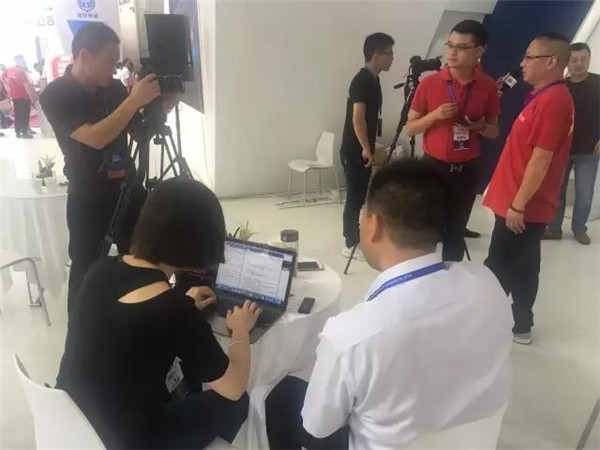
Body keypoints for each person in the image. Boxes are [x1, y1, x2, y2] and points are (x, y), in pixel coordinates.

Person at [266, 159, 513, 450]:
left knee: (283, 396)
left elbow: (318, 426)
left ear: (374, 225)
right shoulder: (487, 284)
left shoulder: (350, 335)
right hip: (475, 441)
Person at [57, 178, 259, 449]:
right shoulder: (174, 311)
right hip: (130, 440)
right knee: (238, 401)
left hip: (71, 422)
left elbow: (133, 324)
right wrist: (241, 329)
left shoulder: (101, 269)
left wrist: (182, 303)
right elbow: (233, 388)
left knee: (188, 375)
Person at [40, 23, 163, 318]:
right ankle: (81, 329)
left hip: (128, 189)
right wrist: (134, 100)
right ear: (85, 55)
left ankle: (140, 319)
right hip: (88, 196)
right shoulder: (56, 94)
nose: (115, 67)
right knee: (86, 268)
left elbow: (140, 133)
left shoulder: (115, 89)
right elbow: (96, 137)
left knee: (141, 259)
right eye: (110, 60)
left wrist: (161, 102)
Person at [484, 32, 574, 345]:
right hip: (519, 203)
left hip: (523, 208)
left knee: (499, 267)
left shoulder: (553, 101)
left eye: (529, 57)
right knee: (524, 267)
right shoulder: (541, 95)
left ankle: (483, 328)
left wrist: (518, 204)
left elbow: (541, 159)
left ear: (551, 62)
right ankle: (521, 323)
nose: (522, 63)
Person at [406, 20, 500, 261]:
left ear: (479, 51)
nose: (452, 53)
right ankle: (425, 276)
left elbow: (494, 132)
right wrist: (435, 116)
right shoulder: (429, 83)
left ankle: (452, 275)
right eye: (449, 45)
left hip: (466, 171)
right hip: (433, 168)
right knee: (425, 230)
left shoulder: (488, 86)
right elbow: (410, 129)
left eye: (461, 47)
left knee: (455, 232)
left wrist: (480, 127)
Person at [340, 32, 394, 261]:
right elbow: (357, 118)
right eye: (389, 53)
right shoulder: (361, 81)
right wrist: (365, 148)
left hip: (363, 149)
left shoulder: (374, 80)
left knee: (360, 195)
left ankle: (356, 236)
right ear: (375, 54)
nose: (392, 58)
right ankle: (349, 242)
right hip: (355, 150)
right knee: (355, 197)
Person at [543, 42, 599, 245]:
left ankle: (579, 229)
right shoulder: (560, 86)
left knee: (584, 194)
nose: (579, 64)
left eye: (583, 59)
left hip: (589, 150)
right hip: (562, 149)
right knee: (556, 191)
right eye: (574, 60)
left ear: (589, 60)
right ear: (567, 62)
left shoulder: (598, 83)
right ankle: (553, 228)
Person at [2, 55, 36, 138]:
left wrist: (9, 88)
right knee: (25, 114)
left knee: (18, 113)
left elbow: (3, 78)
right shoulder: (21, 71)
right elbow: (26, 85)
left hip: (14, 95)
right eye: (23, 61)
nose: (24, 62)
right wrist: (32, 97)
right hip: (24, 96)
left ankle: (17, 131)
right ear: (19, 60)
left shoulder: (9, 70)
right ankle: (25, 132)